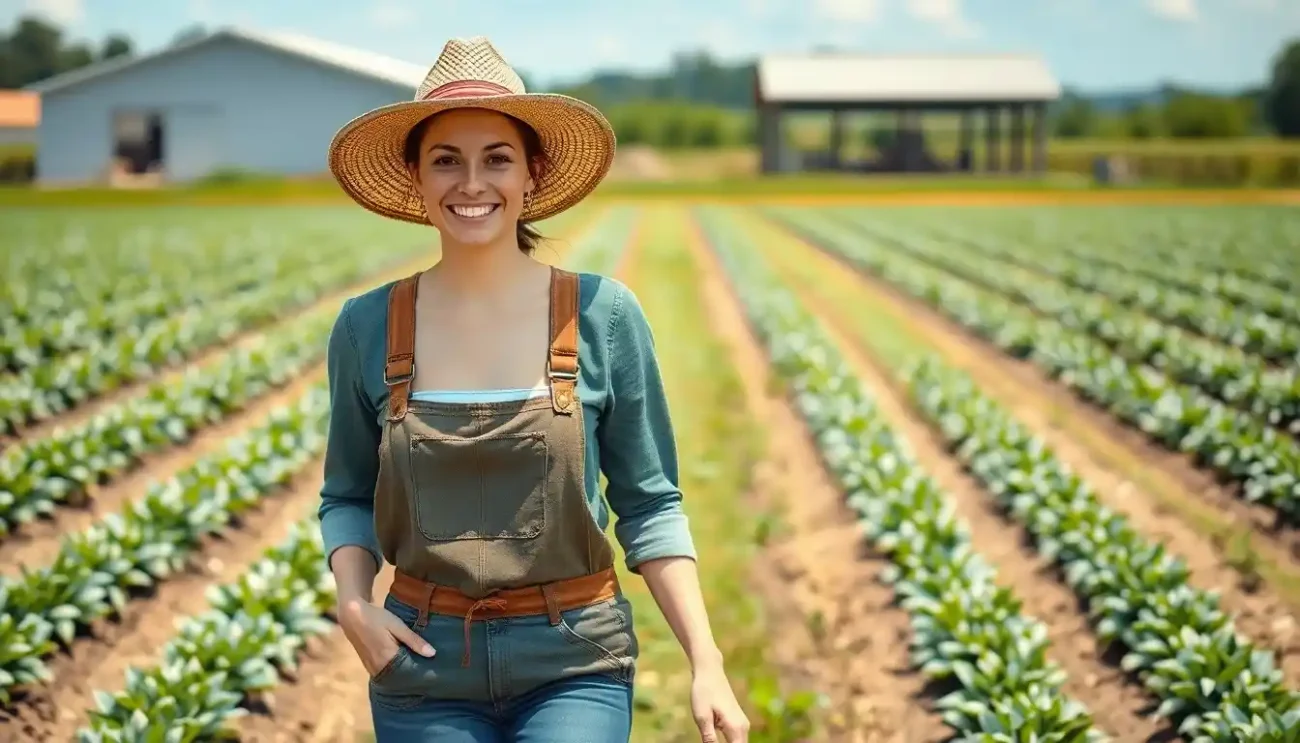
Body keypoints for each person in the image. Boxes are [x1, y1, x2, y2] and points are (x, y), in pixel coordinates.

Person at [318, 36, 750, 743]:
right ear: (417, 177)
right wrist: (354, 604)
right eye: (445, 161)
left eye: (497, 158)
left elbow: (650, 503)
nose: (471, 183)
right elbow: (345, 493)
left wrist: (707, 658)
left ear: (531, 173)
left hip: (575, 657)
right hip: (424, 667)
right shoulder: (367, 327)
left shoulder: (602, 314)